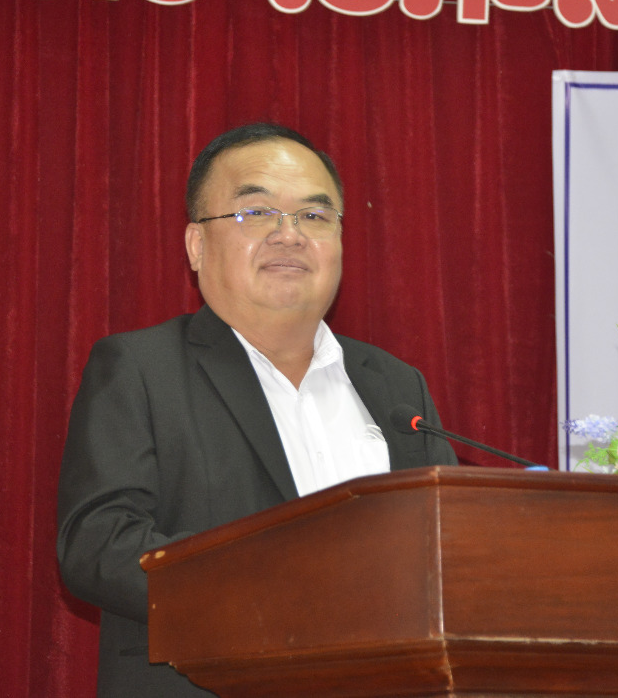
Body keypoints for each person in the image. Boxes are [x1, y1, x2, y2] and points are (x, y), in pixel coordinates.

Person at [57, 122, 457, 697]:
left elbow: (450, 554)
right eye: (256, 213)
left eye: (315, 217)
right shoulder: (141, 370)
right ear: (197, 245)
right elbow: (97, 545)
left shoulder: (396, 388)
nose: (289, 235)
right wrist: (289, 587)